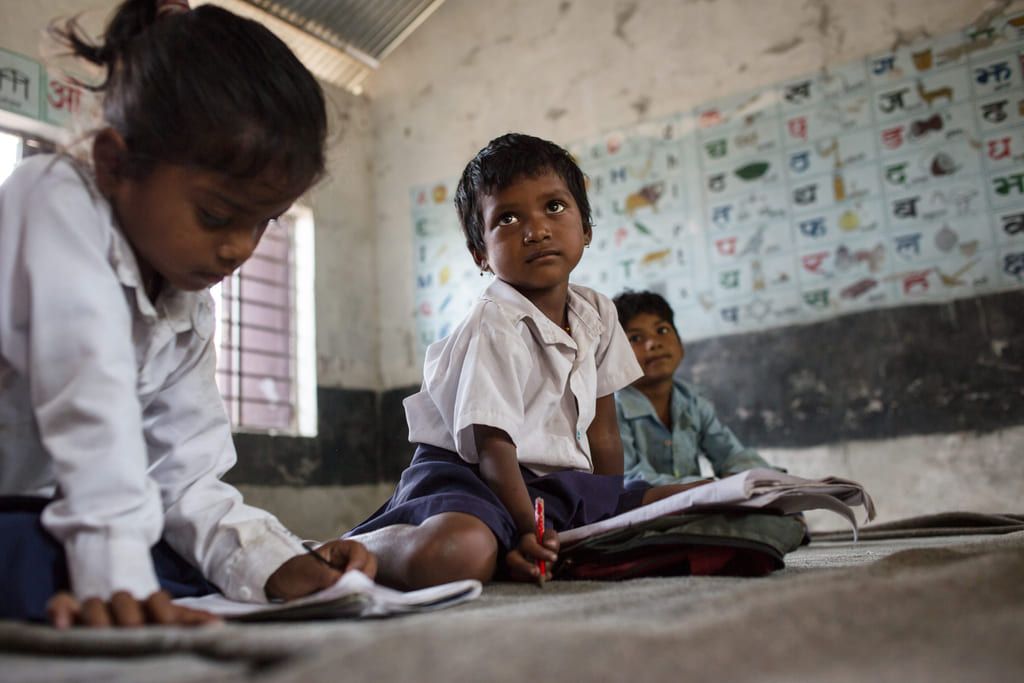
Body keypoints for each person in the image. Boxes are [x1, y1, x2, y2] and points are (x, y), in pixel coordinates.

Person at [0, 0, 374, 628]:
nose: (239, 249)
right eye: (216, 216)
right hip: (26, 512)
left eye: (264, 222)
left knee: (181, 559)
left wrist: (276, 563)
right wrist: (115, 579)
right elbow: (87, 394)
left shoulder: (187, 302)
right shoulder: (50, 197)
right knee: (67, 557)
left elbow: (187, 474)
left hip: (52, 510)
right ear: (115, 164)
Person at [345, 133, 704, 590]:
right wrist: (525, 531)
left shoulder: (598, 313)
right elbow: (495, 448)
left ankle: (516, 548)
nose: (536, 230)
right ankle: (357, 546)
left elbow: (604, 430)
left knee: (697, 500)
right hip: (472, 479)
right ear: (481, 255)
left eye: (554, 207)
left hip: (553, 484)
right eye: (508, 218)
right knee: (458, 554)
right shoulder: (494, 323)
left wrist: (605, 512)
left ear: (586, 227)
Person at [612, 290, 781, 486]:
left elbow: (731, 455)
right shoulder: (612, 410)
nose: (653, 344)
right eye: (635, 339)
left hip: (693, 506)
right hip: (642, 513)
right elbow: (629, 479)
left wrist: (764, 479)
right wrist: (701, 486)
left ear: (680, 344)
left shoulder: (692, 401)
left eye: (662, 331)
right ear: (615, 355)